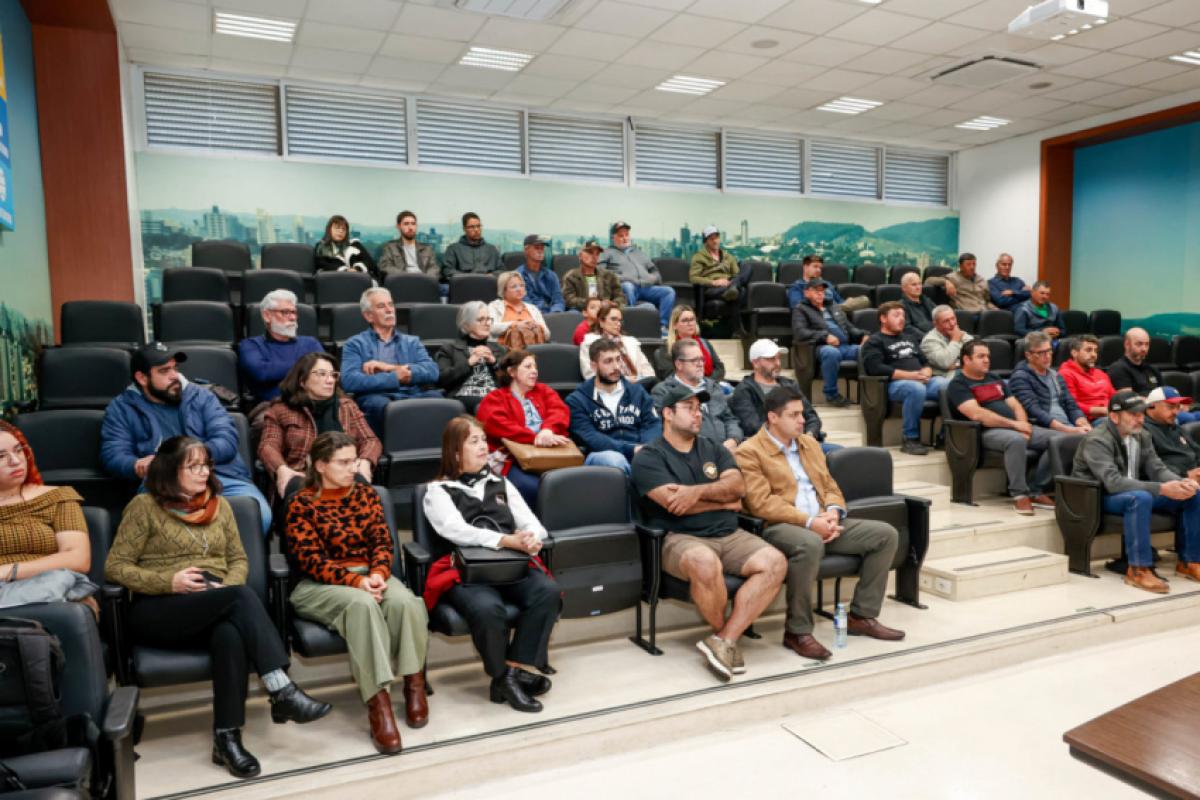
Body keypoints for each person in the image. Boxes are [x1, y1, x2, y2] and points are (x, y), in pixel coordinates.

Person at [105, 437, 330, 778]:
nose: (204, 471)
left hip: (214, 601)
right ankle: (280, 688)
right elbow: (116, 567)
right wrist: (170, 581)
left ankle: (227, 739)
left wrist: (225, 586)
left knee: (230, 632)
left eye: (206, 465)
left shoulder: (220, 506)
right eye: (193, 466)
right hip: (160, 608)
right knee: (239, 600)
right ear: (169, 470)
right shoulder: (144, 507)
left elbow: (238, 559)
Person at [284, 432, 429, 754]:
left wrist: (377, 574)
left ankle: (414, 684)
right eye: (344, 462)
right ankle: (379, 705)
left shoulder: (366, 495)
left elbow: (382, 542)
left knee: (407, 602)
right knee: (362, 606)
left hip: (369, 576)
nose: (353, 468)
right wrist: (356, 582)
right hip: (320, 584)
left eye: (354, 460)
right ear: (320, 465)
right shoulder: (301, 503)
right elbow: (310, 560)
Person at [736, 386, 904, 661]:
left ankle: (861, 616)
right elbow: (761, 503)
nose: (802, 420)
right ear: (773, 418)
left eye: (802, 413)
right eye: (794, 415)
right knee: (810, 543)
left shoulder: (809, 444)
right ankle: (797, 631)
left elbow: (829, 486)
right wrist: (810, 522)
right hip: (778, 526)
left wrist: (834, 512)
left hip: (821, 521)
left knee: (885, 534)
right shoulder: (749, 451)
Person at [632, 385, 786, 681]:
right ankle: (724, 636)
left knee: (775, 562)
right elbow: (677, 507)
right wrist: (720, 498)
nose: (697, 413)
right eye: (688, 407)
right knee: (704, 561)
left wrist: (697, 492)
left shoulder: (713, 448)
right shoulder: (649, 457)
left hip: (729, 533)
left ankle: (724, 640)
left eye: (698, 407)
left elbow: (738, 490)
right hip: (679, 538)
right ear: (667, 413)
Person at [422, 416, 560, 712]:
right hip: (466, 572)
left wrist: (530, 539)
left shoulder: (500, 482)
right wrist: (505, 540)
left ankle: (509, 674)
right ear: (455, 452)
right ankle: (505, 676)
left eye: (484, 439)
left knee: (547, 592)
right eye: (474, 441)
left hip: (509, 565)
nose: (484, 446)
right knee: (488, 609)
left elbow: (535, 525)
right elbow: (455, 530)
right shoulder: (437, 491)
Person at [101, 343, 272, 533]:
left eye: (175, 368)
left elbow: (226, 439)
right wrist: (136, 464)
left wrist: (187, 459)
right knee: (155, 528)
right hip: (162, 483)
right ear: (142, 378)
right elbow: (113, 454)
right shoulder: (122, 408)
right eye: (164, 371)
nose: (174, 375)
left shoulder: (202, 397)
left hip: (221, 477)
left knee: (259, 517)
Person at [1072, 390, 1200, 593]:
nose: (1139, 419)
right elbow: (1113, 483)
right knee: (1139, 498)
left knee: (1192, 495)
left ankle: (1190, 561)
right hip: (1096, 496)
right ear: (1114, 416)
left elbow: (1157, 469)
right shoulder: (1097, 440)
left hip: (1129, 492)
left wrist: (1181, 483)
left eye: (1141, 414)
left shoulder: (1142, 435)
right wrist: (1162, 489)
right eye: (1133, 415)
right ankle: (1138, 569)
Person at [946, 340, 1060, 515]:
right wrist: (1015, 426)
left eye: (988, 356)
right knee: (1015, 440)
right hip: (983, 432)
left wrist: (1022, 424)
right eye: (981, 356)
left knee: (1059, 440)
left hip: (1013, 427)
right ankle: (1019, 495)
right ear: (966, 360)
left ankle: (1036, 490)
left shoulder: (994, 378)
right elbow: (977, 414)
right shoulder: (958, 384)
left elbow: (1015, 405)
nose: (986, 360)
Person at [258, 352, 380, 502]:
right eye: (322, 374)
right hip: (302, 473)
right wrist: (282, 469)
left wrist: (365, 462)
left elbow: (370, 440)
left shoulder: (347, 406)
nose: (330, 380)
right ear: (302, 381)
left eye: (333, 375)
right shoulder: (281, 410)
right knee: (301, 494)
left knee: (362, 490)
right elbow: (268, 446)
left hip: (344, 470)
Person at [0, 422, 94, 613]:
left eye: (19, 451)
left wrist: (10, 570)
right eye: (1, 456)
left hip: (52, 593)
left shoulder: (57, 497)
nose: (16, 461)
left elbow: (78, 558)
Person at [476, 350, 572, 509]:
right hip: (513, 459)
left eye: (535, 367)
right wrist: (534, 437)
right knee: (533, 487)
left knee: (572, 482)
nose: (534, 371)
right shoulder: (495, 398)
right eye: (527, 367)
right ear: (511, 371)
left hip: (553, 453)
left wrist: (548, 430)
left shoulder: (544, 390)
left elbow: (560, 411)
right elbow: (497, 425)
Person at [341, 287, 441, 436]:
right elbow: (349, 380)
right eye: (381, 306)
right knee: (380, 405)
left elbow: (432, 371)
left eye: (391, 304)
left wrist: (388, 367)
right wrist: (395, 377)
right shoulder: (355, 344)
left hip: (412, 394)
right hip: (378, 397)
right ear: (369, 316)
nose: (389, 310)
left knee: (437, 399)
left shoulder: (412, 341)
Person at [863, 302, 949, 456]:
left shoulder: (910, 338)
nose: (901, 319)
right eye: (896, 315)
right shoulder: (874, 341)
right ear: (883, 318)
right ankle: (910, 439)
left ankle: (945, 436)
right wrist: (911, 376)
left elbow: (925, 362)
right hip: (892, 385)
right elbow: (875, 368)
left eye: (903, 315)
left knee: (948, 385)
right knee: (915, 389)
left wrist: (927, 372)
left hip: (920, 380)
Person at [566, 338, 661, 475]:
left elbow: (653, 424)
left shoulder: (637, 392)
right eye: (608, 361)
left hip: (641, 452)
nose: (616, 366)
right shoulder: (577, 400)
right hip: (600, 456)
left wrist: (646, 448)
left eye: (618, 359)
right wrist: (631, 450)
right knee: (616, 460)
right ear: (594, 366)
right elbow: (591, 438)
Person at [729, 339, 837, 454]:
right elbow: (753, 427)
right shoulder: (744, 390)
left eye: (778, 358)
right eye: (771, 359)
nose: (778, 363)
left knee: (840, 454)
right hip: (771, 449)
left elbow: (811, 417)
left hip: (804, 443)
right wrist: (789, 437)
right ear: (755, 363)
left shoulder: (790, 385)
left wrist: (809, 435)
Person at [652, 340, 743, 453]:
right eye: (694, 360)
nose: (700, 364)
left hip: (727, 450)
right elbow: (665, 430)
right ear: (679, 364)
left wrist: (733, 440)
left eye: (702, 359)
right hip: (692, 454)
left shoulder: (713, 387)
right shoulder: (664, 391)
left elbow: (730, 419)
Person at [237, 289, 324, 405]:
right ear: (267, 315)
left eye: (294, 312)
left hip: (313, 404)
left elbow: (324, 371)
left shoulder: (310, 343)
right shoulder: (251, 345)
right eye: (285, 312)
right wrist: (308, 367)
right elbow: (263, 373)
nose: (293, 317)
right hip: (272, 407)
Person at [791, 278, 868, 408]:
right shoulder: (801, 309)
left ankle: (868, 393)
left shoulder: (833, 306)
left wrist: (864, 335)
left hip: (845, 347)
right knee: (831, 353)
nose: (820, 293)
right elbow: (800, 332)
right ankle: (831, 394)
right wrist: (824, 336)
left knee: (866, 350)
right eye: (816, 291)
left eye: (822, 291)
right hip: (820, 347)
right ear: (806, 293)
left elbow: (849, 328)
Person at [599, 220, 674, 334]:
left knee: (668, 292)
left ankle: (662, 326)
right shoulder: (607, 252)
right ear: (613, 238)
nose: (625, 238)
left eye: (627, 235)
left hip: (646, 287)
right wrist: (623, 278)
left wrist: (650, 279)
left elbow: (655, 273)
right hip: (625, 287)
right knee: (628, 286)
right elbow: (601, 272)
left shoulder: (639, 253)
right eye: (620, 236)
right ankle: (632, 323)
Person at [1008, 331, 1091, 434]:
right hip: (1043, 428)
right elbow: (1035, 412)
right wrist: (1069, 430)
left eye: (1049, 351)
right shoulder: (1020, 378)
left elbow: (1070, 403)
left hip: (1067, 425)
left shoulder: (1055, 375)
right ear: (1028, 355)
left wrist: (1081, 421)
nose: (1047, 356)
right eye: (1041, 353)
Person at [437, 301, 506, 413]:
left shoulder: (498, 349)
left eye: (488, 319)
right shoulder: (449, 349)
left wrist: (494, 363)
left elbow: (509, 380)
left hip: (495, 395)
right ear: (466, 325)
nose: (487, 323)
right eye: (480, 319)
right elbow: (442, 379)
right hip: (465, 395)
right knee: (485, 404)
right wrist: (469, 363)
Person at [578, 301, 655, 382]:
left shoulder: (631, 342)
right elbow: (590, 376)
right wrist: (626, 381)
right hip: (609, 389)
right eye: (613, 319)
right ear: (601, 322)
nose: (618, 324)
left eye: (620, 320)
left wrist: (642, 381)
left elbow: (647, 370)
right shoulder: (590, 343)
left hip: (638, 385)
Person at [689, 225, 752, 317]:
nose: (715, 241)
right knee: (741, 292)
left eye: (717, 238)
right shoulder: (698, 257)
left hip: (728, 285)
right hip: (712, 289)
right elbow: (693, 278)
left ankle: (733, 288)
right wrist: (714, 282)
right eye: (711, 239)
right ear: (705, 242)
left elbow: (737, 274)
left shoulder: (728, 257)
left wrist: (732, 282)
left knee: (748, 266)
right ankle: (737, 328)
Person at [653, 305, 726, 383]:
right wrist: (698, 383)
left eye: (692, 319)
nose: (690, 323)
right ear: (674, 325)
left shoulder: (704, 343)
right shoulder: (667, 347)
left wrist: (707, 382)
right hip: (684, 390)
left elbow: (719, 368)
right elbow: (670, 375)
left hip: (711, 385)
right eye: (685, 320)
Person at [1143, 387, 1200, 483]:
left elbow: (1197, 451)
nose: (1176, 412)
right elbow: (1149, 465)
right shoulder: (1142, 430)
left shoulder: (1174, 426)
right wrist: (1184, 475)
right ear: (1152, 405)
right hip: (1172, 482)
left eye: (1178, 407)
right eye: (1170, 406)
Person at [1060, 334, 1116, 422]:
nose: (1094, 355)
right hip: (1090, 420)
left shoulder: (1101, 373)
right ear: (1074, 353)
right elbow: (1071, 406)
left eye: (1095, 351)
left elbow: (1114, 397)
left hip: (1110, 414)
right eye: (1088, 350)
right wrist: (1101, 411)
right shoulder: (1066, 374)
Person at [785, 254, 868, 313]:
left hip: (837, 312)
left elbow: (839, 300)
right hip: (818, 314)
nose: (818, 270)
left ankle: (835, 309)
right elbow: (796, 306)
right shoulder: (797, 286)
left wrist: (846, 302)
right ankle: (834, 309)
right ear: (805, 267)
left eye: (820, 268)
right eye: (815, 266)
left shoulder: (827, 284)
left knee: (864, 300)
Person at [488, 271, 551, 346]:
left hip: (534, 348)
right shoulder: (494, 306)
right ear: (504, 290)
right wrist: (514, 324)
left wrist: (536, 326)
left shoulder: (532, 308)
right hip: (504, 350)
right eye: (514, 287)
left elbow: (547, 335)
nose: (519, 289)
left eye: (522, 285)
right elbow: (490, 328)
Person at [562, 238, 623, 311]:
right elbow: (569, 299)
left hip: (605, 312)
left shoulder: (609, 276)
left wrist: (612, 304)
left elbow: (620, 296)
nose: (594, 257)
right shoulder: (571, 276)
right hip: (582, 311)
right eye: (590, 252)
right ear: (580, 256)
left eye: (597, 254)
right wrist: (589, 303)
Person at [377, 210, 438, 281]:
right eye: (406, 224)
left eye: (413, 224)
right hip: (401, 281)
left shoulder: (427, 249)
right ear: (398, 226)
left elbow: (434, 268)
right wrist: (407, 277)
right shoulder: (390, 247)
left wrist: (425, 279)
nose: (410, 227)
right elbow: (386, 267)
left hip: (424, 282)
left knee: (445, 288)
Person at [923, 252, 995, 312]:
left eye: (974, 264)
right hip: (967, 314)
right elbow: (928, 281)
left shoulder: (981, 280)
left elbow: (987, 301)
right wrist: (946, 282)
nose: (972, 267)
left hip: (985, 312)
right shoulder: (953, 278)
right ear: (960, 266)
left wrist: (997, 310)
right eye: (969, 264)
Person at [314, 215, 378, 280]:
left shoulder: (355, 244)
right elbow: (322, 264)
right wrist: (345, 270)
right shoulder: (321, 246)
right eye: (337, 228)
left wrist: (357, 268)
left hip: (358, 279)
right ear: (329, 229)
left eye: (343, 229)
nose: (341, 231)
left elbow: (368, 262)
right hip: (333, 280)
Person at [441, 212, 500, 279]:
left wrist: (491, 275)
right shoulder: (453, 249)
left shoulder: (492, 249)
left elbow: (502, 271)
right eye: (472, 227)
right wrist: (469, 277)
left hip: (489, 285)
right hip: (464, 285)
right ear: (464, 229)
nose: (476, 230)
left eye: (478, 226)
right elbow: (447, 270)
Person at [919, 304, 974, 378]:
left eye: (953, 318)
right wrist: (955, 339)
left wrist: (957, 364)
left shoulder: (959, 333)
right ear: (935, 324)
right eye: (946, 321)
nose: (952, 324)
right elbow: (945, 362)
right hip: (943, 378)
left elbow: (975, 355)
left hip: (961, 371)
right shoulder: (929, 341)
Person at [516, 234, 565, 315]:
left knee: (575, 314)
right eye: (536, 248)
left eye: (542, 248)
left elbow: (558, 299)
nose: (540, 251)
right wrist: (541, 314)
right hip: (532, 316)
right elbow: (525, 303)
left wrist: (555, 312)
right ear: (526, 250)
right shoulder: (518, 276)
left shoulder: (551, 275)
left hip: (552, 314)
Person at [900, 271, 936, 341]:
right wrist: (929, 339)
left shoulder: (927, 301)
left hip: (938, 337)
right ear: (904, 288)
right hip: (921, 341)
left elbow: (940, 317)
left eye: (920, 284)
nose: (918, 287)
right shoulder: (901, 306)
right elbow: (907, 329)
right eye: (914, 285)